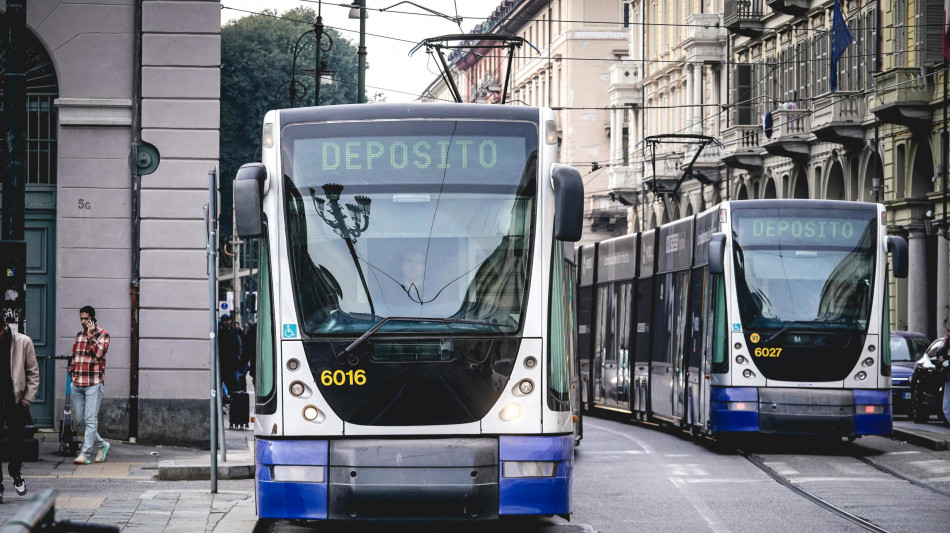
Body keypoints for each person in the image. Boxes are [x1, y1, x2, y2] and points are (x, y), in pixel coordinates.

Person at [0, 318, 39, 502]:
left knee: (17, 441)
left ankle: (15, 472)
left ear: (5, 327)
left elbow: (33, 372)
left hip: (16, 400)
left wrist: (27, 401)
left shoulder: (23, 342)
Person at [69, 305, 111, 465]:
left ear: (93, 318)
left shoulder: (103, 335)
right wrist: (72, 376)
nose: (83, 321)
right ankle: (102, 444)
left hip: (93, 384)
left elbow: (99, 354)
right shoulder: (78, 336)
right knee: (81, 420)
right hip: (78, 383)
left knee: (90, 420)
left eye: (86, 318)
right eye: (81, 319)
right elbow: (75, 358)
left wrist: (91, 336)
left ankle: (84, 454)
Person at [217, 314, 243, 398]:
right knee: (224, 383)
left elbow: (239, 345)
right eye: (225, 320)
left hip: (233, 362)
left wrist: (238, 356)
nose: (227, 322)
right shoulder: (219, 331)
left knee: (235, 384)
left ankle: (235, 402)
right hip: (223, 362)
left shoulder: (234, 331)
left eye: (228, 320)